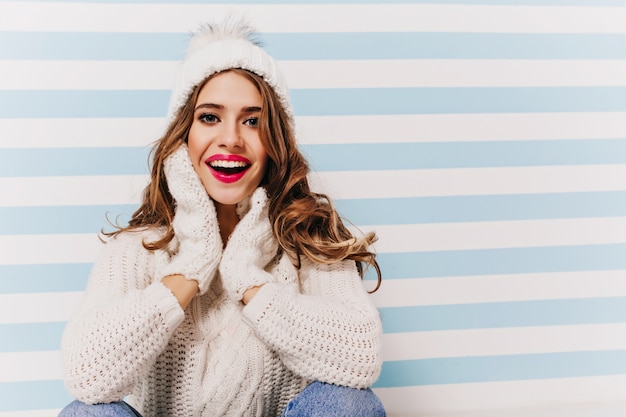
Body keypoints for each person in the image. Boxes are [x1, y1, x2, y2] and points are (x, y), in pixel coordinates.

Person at [58, 17, 385, 417]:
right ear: (182, 137)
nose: (231, 137)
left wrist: (246, 276)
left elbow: (361, 356)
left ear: (275, 141)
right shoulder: (136, 249)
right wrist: (196, 260)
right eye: (209, 117)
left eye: (253, 120)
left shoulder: (309, 240)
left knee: (350, 404)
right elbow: (86, 376)